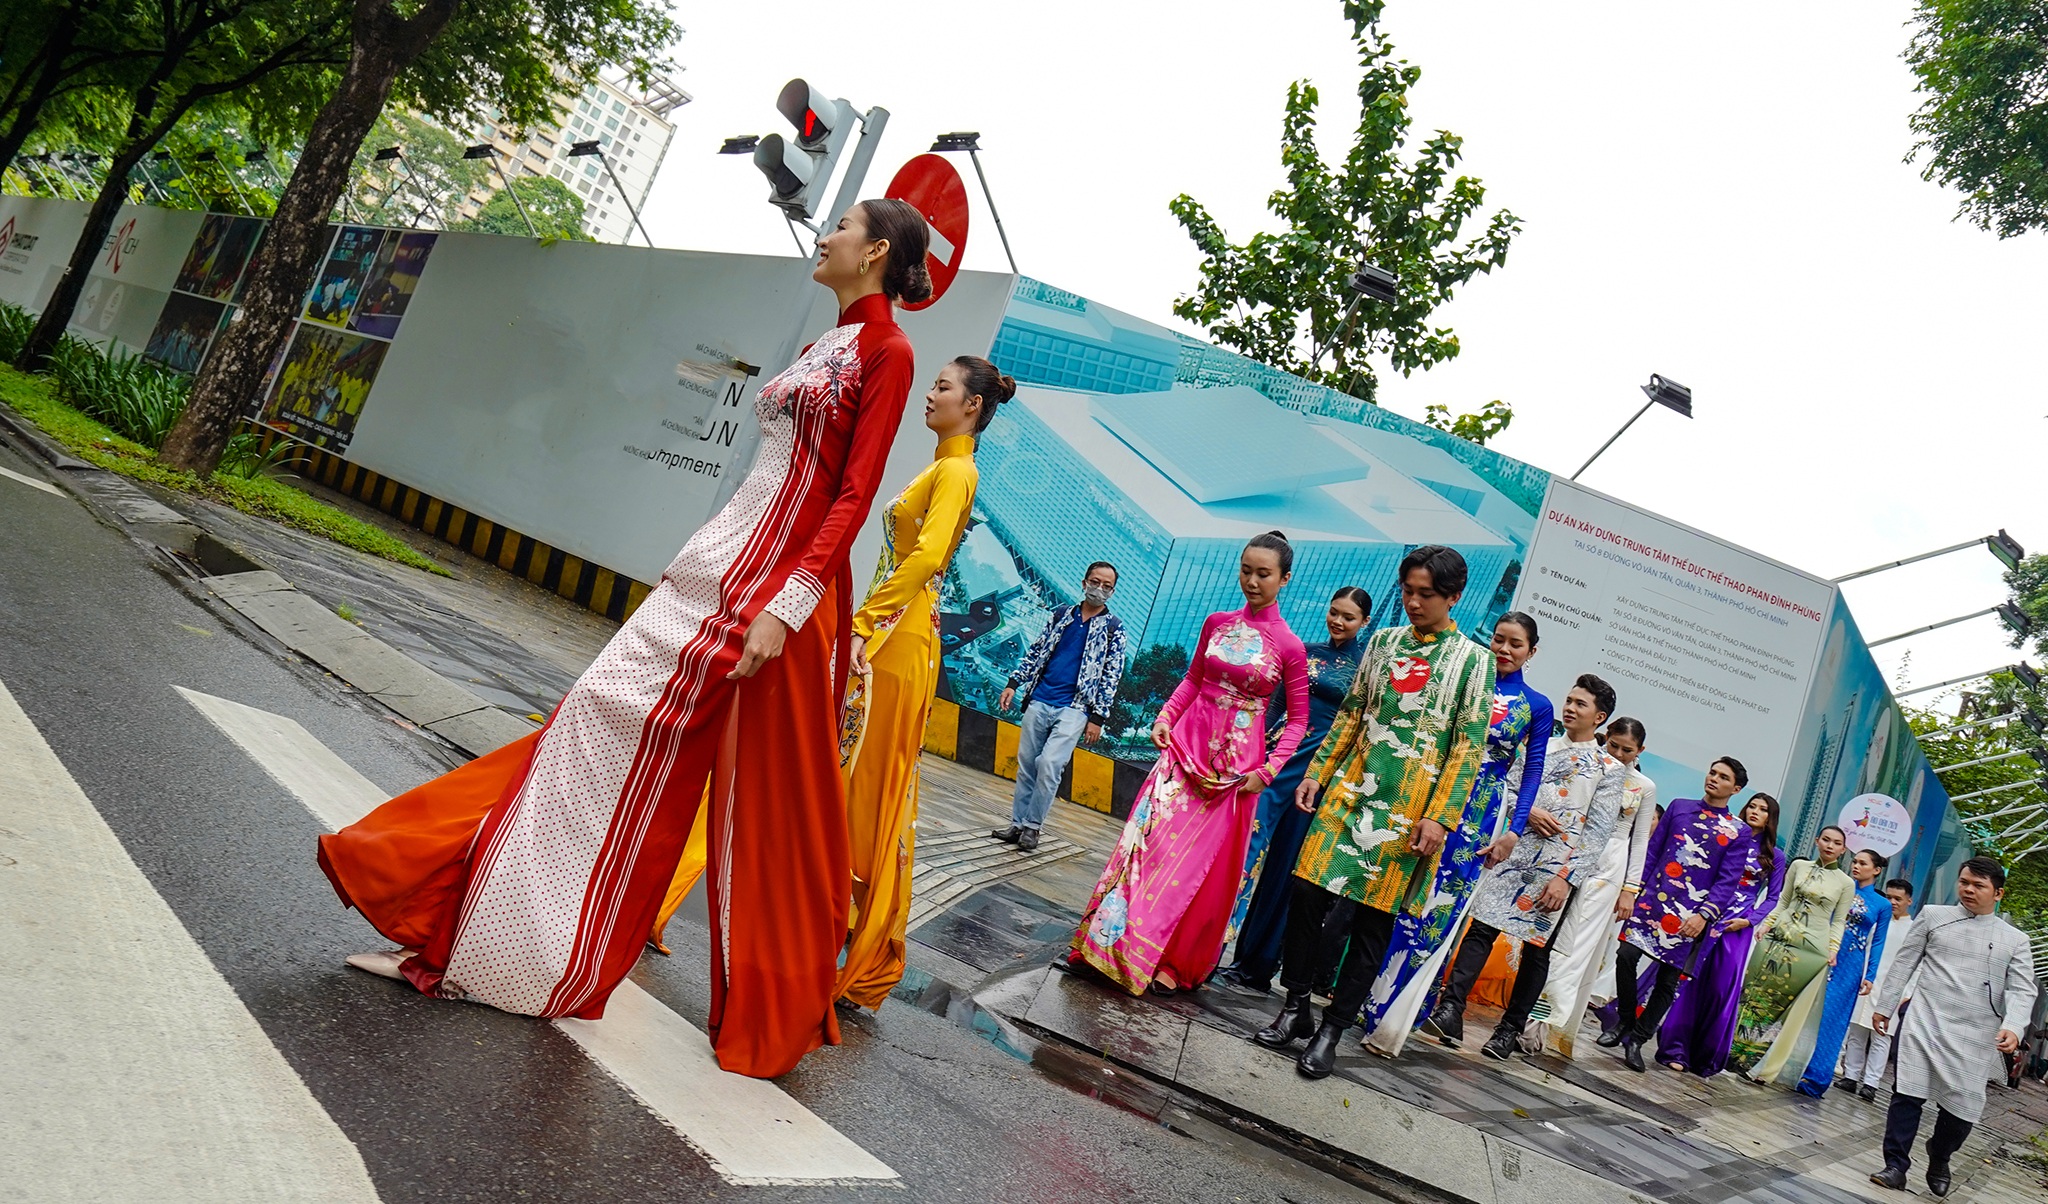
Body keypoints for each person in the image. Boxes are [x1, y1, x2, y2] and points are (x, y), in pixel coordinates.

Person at [315, 198, 932, 1079]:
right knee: (582, 736)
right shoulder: (820, 348)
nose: (824, 234)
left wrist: (786, 605)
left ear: (874, 252)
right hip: (709, 572)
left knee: (634, 766)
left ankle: (503, 957)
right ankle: (471, 939)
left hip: (759, 595)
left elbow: (853, 495)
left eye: (842, 226)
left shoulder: (889, 351)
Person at [1251, 545, 1495, 1079]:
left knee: (1370, 923)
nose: (1412, 602)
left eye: (1425, 595)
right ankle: (1294, 1007)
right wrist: (1318, 772)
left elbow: (1467, 746)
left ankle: (1332, 1030)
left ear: (1453, 597)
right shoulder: (1382, 643)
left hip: (1411, 814)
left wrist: (1440, 816)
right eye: (1407, 590)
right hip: (1349, 791)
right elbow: (1353, 715)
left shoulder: (1474, 661)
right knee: (1306, 891)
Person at [835, 356, 1011, 1010]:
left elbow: (930, 556)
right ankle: (847, 936)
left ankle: (853, 941)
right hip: (893, 637)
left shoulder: (957, 471)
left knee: (867, 789)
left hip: (899, 639)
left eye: (942, 386)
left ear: (971, 405)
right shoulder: (944, 467)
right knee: (856, 782)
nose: (929, 393)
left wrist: (865, 620)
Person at [1068, 532, 1310, 995]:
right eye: (1246, 570)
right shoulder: (1217, 623)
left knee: (1191, 870)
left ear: (1285, 579)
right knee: (1143, 849)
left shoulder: (1290, 647)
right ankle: (1105, 946)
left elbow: (1297, 721)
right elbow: (1194, 679)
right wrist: (1165, 716)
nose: (1252, 581)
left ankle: (1166, 959)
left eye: (1264, 574)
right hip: (1182, 752)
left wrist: (1267, 770)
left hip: (1233, 776)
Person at [1359, 611, 1552, 1057]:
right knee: (1399, 896)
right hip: (1430, 799)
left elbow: (1532, 772)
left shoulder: (1536, 705)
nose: (1504, 650)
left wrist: (1513, 831)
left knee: (1438, 913)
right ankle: (1361, 996)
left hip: (1481, 813)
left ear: (1531, 652)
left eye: (1515, 644)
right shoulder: (1465, 682)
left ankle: (1394, 1019)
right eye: (1499, 640)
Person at [1425, 674, 1626, 1061]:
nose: (1569, 708)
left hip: (1557, 867)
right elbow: (1510, 787)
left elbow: (1599, 831)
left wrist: (1566, 879)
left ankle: (1509, 1030)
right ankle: (1451, 1010)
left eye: (1580, 704)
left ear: (1599, 716)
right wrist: (1528, 810)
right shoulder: (1542, 746)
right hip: (1515, 850)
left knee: (1537, 949)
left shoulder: (1608, 769)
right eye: (1569, 699)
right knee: (1481, 927)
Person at [1217, 587, 1372, 995]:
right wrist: (1255, 753)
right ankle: (1211, 945)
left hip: (1320, 777)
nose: (1338, 622)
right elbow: (1274, 706)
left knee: (1288, 870)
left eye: (1349, 617)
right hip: (1280, 761)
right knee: (1245, 851)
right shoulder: (1304, 652)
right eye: (1334, 613)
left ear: (1364, 623)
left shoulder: (1367, 670)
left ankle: (1256, 965)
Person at [1868, 857, 2039, 1197]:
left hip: (1977, 1032)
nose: (1968, 889)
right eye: (1964, 882)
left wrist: (2015, 1027)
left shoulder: (2014, 939)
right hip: (1925, 1019)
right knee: (1907, 1095)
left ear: (1998, 893)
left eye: (1978, 885)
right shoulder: (1933, 916)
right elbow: (1904, 963)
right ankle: (1895, 1166)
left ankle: (1941, 1154)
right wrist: (1885, 1007)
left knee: (1962, 1111)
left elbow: (2023, 989)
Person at [1601, 758, 1761, 1072]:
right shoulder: (1679, 807)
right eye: (1712, 772)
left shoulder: (1738, 832)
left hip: (1692, 915)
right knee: (1626, 956)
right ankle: (1625, 1021)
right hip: (1653, 901)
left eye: (1723, 777)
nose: (1713, 778)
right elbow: (1654, 851)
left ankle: (1638, 1040)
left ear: (1736, 789)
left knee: (1667, 979)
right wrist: (1632, 890)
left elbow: (1727, 881)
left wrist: (1704, 916)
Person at [1528, 715, 1660, 1057]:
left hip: (1608, 867)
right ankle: (1525, 1017)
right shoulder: (1587, 766)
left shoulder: (1644, 787)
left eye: (1627, 750)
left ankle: (1543, 1024)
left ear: (1640, 750)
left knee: (1574, 952)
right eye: (1612, 745)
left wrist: (1631, 888)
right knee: (1544, 939)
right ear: (1604, 737)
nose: (1617, 753)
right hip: (1569, 852)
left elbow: (1640, 838)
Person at [1629, 792, 1784, 1077]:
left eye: (1763, 810)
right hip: (1705, 915)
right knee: (1681, 979)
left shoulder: (1774, 856)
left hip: (1736, 927)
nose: (1755, 812)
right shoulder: (1728, 833)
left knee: (1719, 989)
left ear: (1770, 818)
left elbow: (1774, 898)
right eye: (1752, 805)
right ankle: (1673, 1047)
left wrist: (1749, 921)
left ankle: (1704, 1053)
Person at [993, 562, 1127, 852]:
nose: (1099, 588)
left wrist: (1098, 717)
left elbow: (1112, 674)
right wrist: (1014, 683)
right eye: (1095, 581)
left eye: (1106, 585)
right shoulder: (1061, 615)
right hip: (1041, 698)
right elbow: (1037, 650)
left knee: (1050, 764)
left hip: (1076, 708)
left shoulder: (1114, 628)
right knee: (1027, 765)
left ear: (1112, 591)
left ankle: (1033, 827)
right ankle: (1017, 824)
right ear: (1084, 582)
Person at [1727, 826, 1856, 1077]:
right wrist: (1767, 924)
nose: (1830, 845)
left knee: (1778, 1005)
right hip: (1777, 937)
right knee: (1753, 995)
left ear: (1843, 849)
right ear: (1817, 840)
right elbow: (1783, 901)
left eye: (1836, 843)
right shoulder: (1799, 866)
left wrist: (1833, 949)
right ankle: (1730, 1049)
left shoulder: (1846, 883)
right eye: (1826, 839)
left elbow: (1839, 920)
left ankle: (1751, 1059)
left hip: (1810, 950)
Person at [1789, 848, 1894, 1095]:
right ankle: (1787, 1066)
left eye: (1863, 863)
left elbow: (1878, 942)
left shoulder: (1881, 904)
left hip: (1849, 964)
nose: (1855, 866)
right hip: (1819, 952)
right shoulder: (1839, 886)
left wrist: (1870, 975)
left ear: (1876, 870)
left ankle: (1814, 1079)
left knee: (1831, 1020)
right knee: (1802, 1010)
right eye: (1854, 862)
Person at [1841, 877, 1917, 1100]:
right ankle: (1851, 1076)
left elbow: (1917, 965)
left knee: (1881, 1037)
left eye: (1898, 899)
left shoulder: (1913, 930)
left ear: (1909, 901)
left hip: (1892, 990)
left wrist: (1907, 993)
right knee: (1856, 1031)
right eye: (1890, 897)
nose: (1893, 902)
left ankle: (1871, 1083)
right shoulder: (1876, 922)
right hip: (1865, 981)